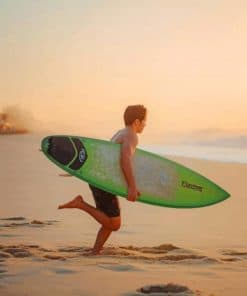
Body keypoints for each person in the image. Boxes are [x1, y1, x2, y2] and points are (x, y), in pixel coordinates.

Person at [58, 105, 147, 255]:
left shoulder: (121, 132)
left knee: (109, 220)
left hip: (98, 178)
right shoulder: (132, 135)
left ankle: (95, 251)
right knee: (115, 223)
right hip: (102, 180)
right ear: (137, 121)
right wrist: (131, 186)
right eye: (144, 121)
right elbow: (125, 159)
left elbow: (110, 159)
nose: (145, 125)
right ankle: (80, 204)